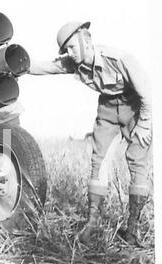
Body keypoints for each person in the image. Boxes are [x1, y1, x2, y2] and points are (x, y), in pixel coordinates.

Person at [28, 21, 152, 246]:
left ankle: (132, 228)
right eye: (66, 50)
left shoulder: (119, 59)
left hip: (135, 108)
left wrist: (144, 124)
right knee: (98, 163)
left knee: (138, 163)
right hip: (107, 110)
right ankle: (92, 224)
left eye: (72, 47)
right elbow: (46, 67)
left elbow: (147, 94)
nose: (70, 54)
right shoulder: (75, 63)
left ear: (86, 40)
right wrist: (17, 65)